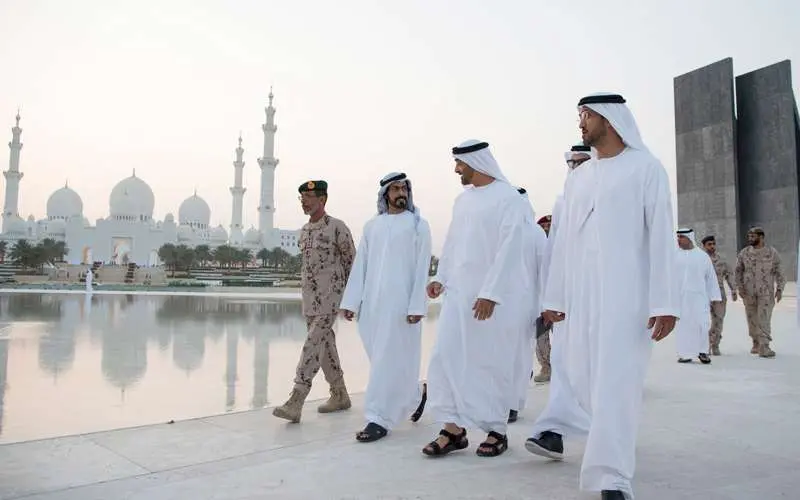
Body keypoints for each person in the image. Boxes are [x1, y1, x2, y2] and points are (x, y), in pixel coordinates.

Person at [525, 93, 679, 500]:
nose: (581, 123)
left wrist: (665, 302)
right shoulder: (579, 178)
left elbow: (662, 237)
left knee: (618, 384)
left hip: (627, 300)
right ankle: (576, 438)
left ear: (609, 120)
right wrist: (554, 296)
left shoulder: (647, 169)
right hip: (580, 300)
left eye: (586, 116)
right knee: (582, 380)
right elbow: (563, 244)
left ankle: (612, 476)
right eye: (580, 115)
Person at [422, 139, 529, 458]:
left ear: (476, 163)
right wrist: (440, 278)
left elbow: (511, 249)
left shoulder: (509, 198)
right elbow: (454, 242)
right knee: (446, 357)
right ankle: (452, 430)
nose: (457, 169)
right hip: (458, 296)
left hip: (493, 299)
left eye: (460, 164)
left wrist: (490, 293)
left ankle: (497, 430)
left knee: (489, 361)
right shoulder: (463, 201)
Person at [340, 172, 432, 442]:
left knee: (386, 362)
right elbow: (361, 266)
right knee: (384, 359)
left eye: (404, 188)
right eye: (395, 189)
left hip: (402, 306)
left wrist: (417, 304)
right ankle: (415, 397)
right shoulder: (372, 226)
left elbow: (421, 267)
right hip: (372, 306)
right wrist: (351, 302)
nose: (401, 193)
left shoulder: (418, 225)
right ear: (385, 195)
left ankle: (378, 418)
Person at [273, 180, 357, 423]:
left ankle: (296, 398)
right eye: (302, 197)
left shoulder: (337, 227)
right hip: (310, 300)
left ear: (323, 199)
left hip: (331, 297)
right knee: (324, 346)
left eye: (310, 197)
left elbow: (353, 263)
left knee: (311, 344)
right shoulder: (304, 231)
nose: (305, 201)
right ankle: (339, 393)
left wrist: (352, 300)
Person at [508, 186, 547, 424]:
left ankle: (513, 403)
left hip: (527, 305)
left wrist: (544, 306)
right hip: (499, 306)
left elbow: (544, 272)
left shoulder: (535, 233)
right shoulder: (499, 232)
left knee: (520, 355)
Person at [735, 227, 785, 358]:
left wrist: (780, 289)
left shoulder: (771, 253)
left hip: (766, 292)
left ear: (761, 237)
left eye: (753, 236)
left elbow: (780, 272)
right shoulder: (744, 253)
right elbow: (738, 271)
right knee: (751, 319)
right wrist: (739, 288)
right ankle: (756, 342)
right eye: (749, 236)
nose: (750, 239)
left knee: (764, 318)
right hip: (749, 292)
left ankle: (765, 346)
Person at [674, 229, 722, 364]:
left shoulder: (702, 257)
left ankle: (703, 352)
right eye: (677, 237)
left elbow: (711, 278)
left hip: (700, 298)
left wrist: (715, 298)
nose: (678, 240)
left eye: (681, 237)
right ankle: (685, 354)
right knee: (683, 326)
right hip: (681, 299)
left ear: (689, 238)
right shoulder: (674, 256)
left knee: (702, 324)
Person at [701, 235, 737, 355]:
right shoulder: (700, 260)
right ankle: (703, 346)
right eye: (709, 244)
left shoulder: (722, 260)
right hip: (702, 294)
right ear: (704, 246)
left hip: (719, 294)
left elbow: (729, 275)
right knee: (702, 321)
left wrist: (733, 290)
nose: (712, 246)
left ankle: (714, 344)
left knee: (718, 321)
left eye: (713, 244)